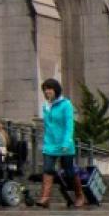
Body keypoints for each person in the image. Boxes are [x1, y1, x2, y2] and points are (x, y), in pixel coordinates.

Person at [36, 78, 77, 208]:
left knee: (69, 172)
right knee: (47, 169)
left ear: (56, 90)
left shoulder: (66, 104)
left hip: (65, 144)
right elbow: (48, 126)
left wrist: (66, 142)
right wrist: (46, 143)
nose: (47, 91)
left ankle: (80, 195)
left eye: (49, 89)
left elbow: (69, 125)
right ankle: (45, 198)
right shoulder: (46, 106)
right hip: (50, 144)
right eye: (45, 89)